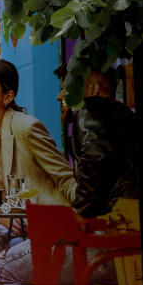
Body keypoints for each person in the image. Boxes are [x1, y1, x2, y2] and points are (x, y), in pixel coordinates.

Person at [0, 59, 78, 285]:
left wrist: (86, 216)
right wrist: (3, 216)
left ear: (7, 97)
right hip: (13, 227)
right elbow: (1, 192)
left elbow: (65, 177)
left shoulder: (27, 127)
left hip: (45, 228)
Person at [57, 69, 137, 219]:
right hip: (126, 211)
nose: (59, 96)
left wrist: (79, 212)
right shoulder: (119, 114)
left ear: (93, 89)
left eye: (67, 89)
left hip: (120, 217)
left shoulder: (91, 108)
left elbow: (96, 157)